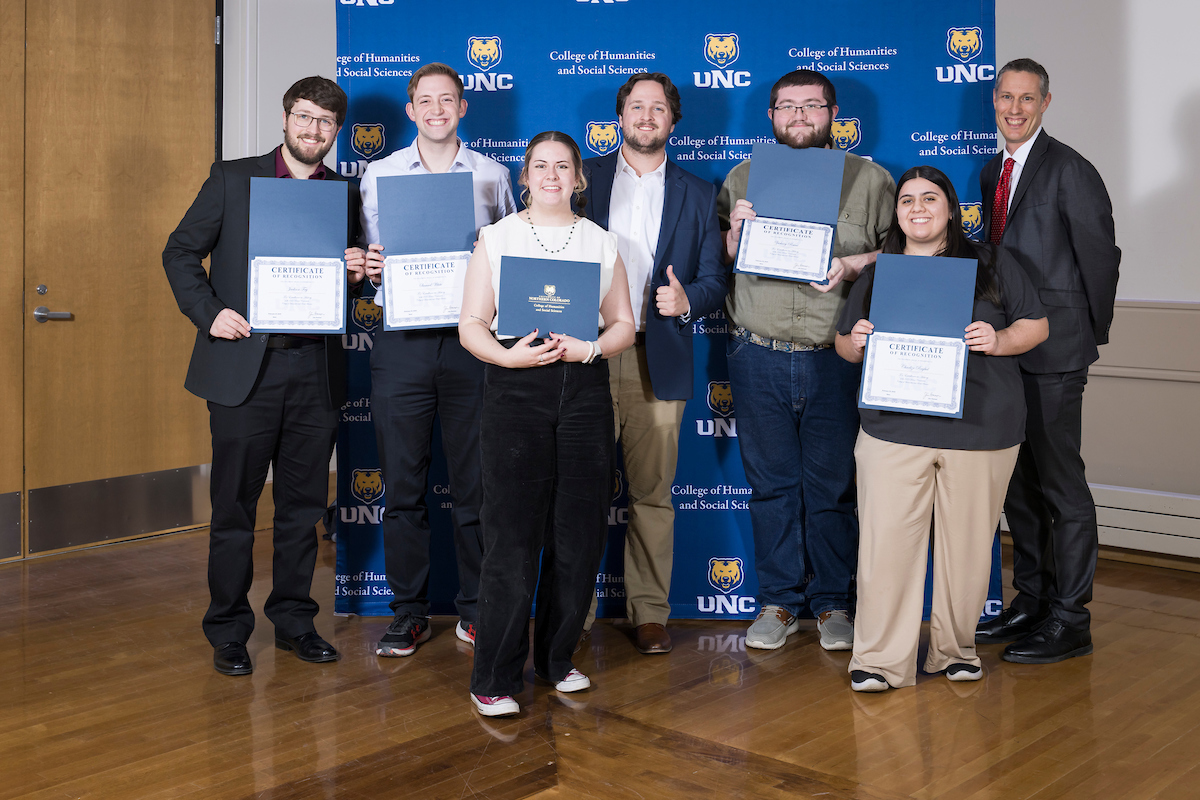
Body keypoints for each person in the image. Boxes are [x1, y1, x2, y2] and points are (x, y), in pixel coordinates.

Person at [163, 76, 365, 676]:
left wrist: (359, 270)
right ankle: (228, 629)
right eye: (305, 118)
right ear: (285, 119)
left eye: (326, 123)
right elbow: (179, 252)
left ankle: (295, 621)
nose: (314, 131)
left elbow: (352, 278)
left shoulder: (343, 193)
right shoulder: (233, 178)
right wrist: (209, 313)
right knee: (234, 507)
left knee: (303, 508)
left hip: (316, 370)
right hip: (243, 368)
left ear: (337, 130)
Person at [835, 166, 1048, 691]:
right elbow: (842, 344)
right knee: (885, 547)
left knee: (970, 547)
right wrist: (857, 340)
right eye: (907, 200)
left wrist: (998, 340)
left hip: (981, 428)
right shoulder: (878, 273)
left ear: (951, 208)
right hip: (893, 430)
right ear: (897, 213)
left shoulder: (992, 262)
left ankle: (956, 649)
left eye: (930, 198)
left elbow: (1036, 325)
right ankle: (880, 660)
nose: (918, 208)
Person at [458, 131, 635, 716]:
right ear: (525, 176)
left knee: (577, 536)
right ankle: (495, 678)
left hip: (582, 390)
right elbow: (472, 324)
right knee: (511, 539)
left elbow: (622, 326)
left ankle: (558, 661)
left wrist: (590, 351)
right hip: (515, 388)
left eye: (564, 165)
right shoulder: (497, 237)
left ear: (578, 177)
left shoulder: (603, 242)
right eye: (541, 165)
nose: (553, 174)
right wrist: (507, 357)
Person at [718, 69, 894, 651]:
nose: (800, 117)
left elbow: (903, 251)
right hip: (757, 353)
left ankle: (832, 605)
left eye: (812, 106)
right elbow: (723, 257)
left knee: (832, 487)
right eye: (787, 107)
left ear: (832, 113)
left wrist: (851, 264)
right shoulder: (743, 177)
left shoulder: (871, 180)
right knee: (770, 486)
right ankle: (779, 600)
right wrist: (734, 236)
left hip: (833, 357)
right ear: (770, 116)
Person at [356, 63, 517, 658]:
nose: (436, 110)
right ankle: (408, 613)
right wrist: (371, 270)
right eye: (425, 100)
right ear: (410, 108)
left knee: (478, 484)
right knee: (402, 485)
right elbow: (369, 256)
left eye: (447, 99)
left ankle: (476, 610)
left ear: (463, 107)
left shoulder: (493, 177)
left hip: (472, 341)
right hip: (401, 343)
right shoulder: (377, 174)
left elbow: (507, 257)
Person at [974, 59, 1121, 664]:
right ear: (995, 101)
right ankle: (1032, 600)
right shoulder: (992, 171)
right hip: (1008, 350)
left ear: (1046, 103)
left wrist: (1086, 334)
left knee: (1062, 487)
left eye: (1026, 99)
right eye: (1005, 97)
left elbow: (1101, 258)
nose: (1015, 108)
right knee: (1020, 487)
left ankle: (1071, 617)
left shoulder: (1070, 169)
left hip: (1056, 352)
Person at [577, 72, 727, 655]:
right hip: (585, 354)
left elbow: (715, 279)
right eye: (636, 106)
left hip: (656, 358)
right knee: (580, 492)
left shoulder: (698, 189)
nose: (646, 116)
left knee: (652, 495)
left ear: (673, 120)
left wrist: (689, 298)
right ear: (620, 116)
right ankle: (575, 612)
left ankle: (650, 612)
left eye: (657, 108)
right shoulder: (581, 177)